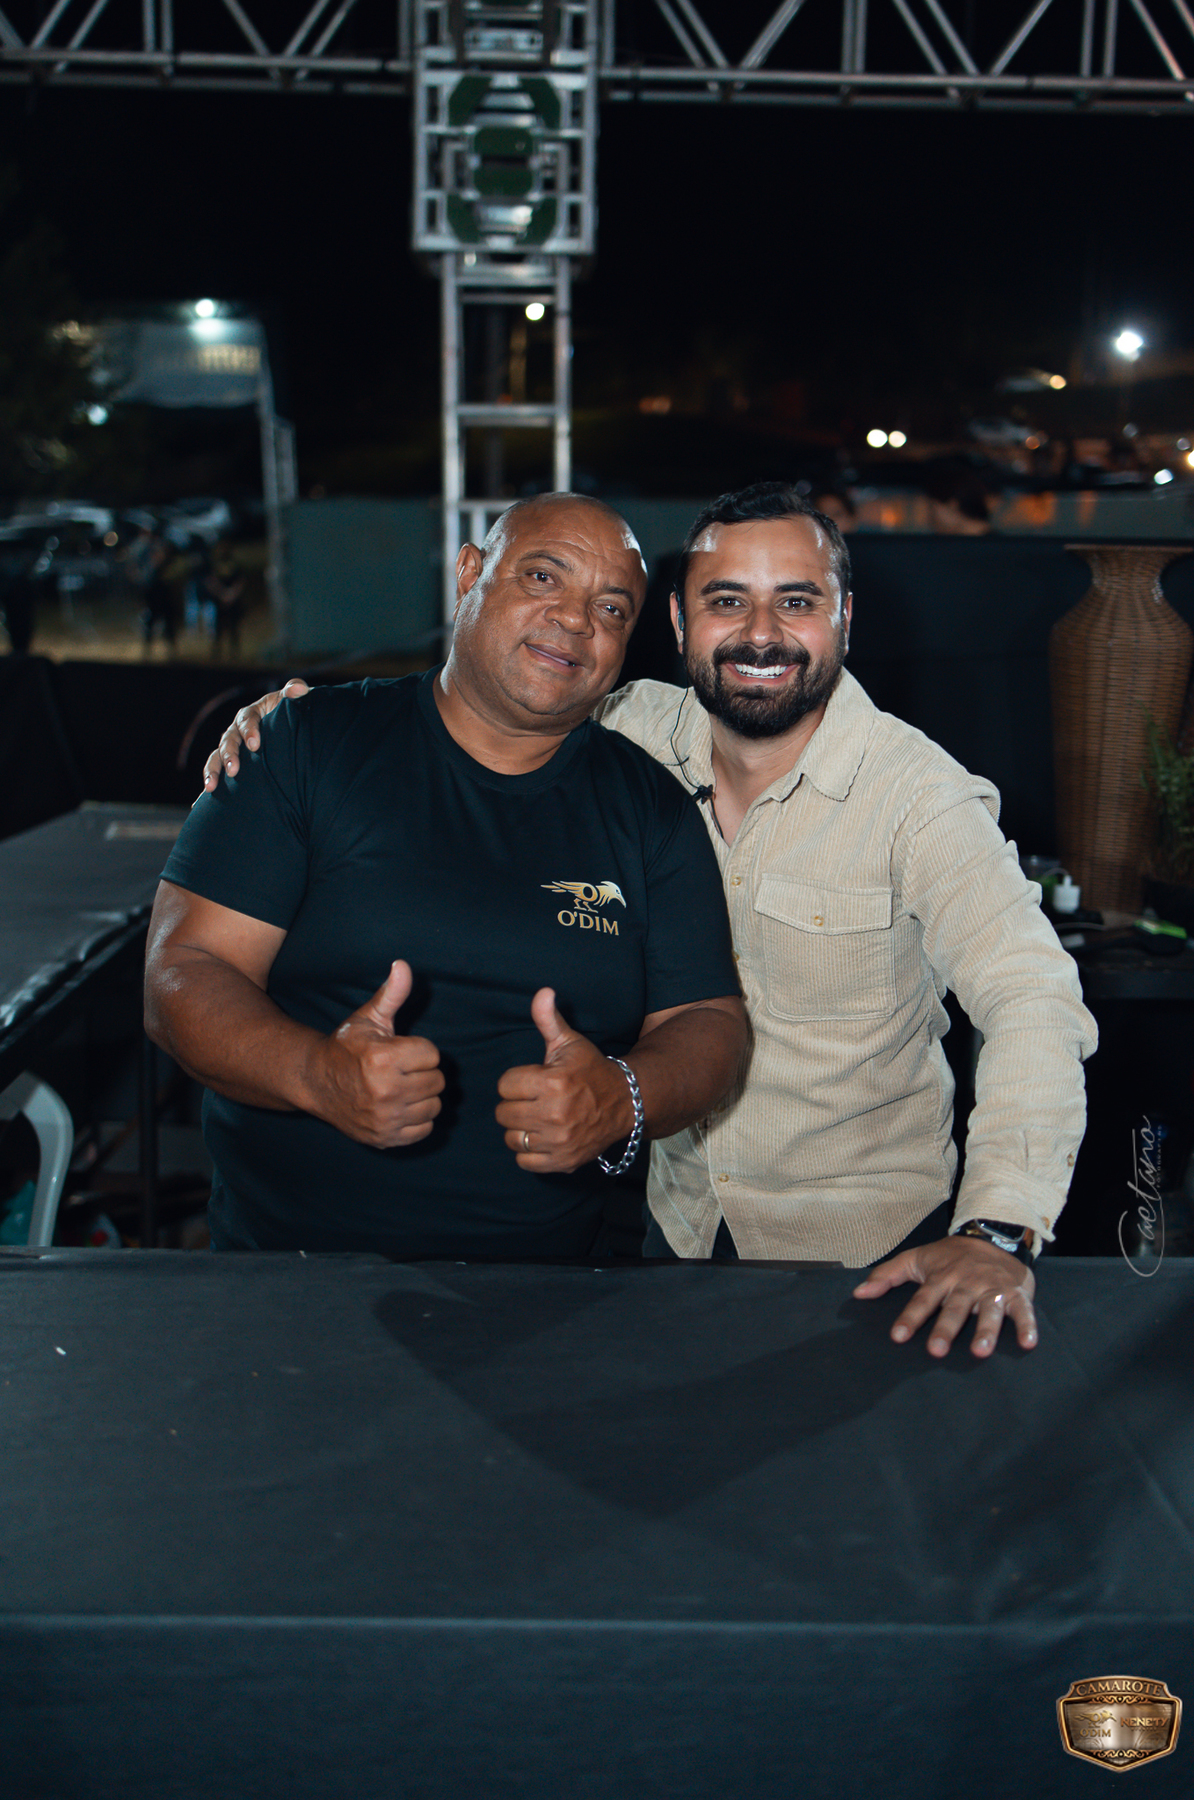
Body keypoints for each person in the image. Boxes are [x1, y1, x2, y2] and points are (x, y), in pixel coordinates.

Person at [203, 483, 1097, 1359]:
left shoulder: (922, 800)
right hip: (668, 1238)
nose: (760, 634)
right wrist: (292, 723)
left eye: (797, 602)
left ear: (845, 618)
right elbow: (486, 693)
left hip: (858, 1253)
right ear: (676, 622)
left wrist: (999, 1228)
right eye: (726, 601)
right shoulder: (627, 731)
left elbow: (1033, 1000)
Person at [146, 495, 746, 1262]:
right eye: (542, 577)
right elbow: (182, 969)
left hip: (551, 1286)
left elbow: (709, 1021)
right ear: (469, 575)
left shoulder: (651, 808)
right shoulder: (305, 745)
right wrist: (317, 1074)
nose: (574, 619)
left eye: (611, 608)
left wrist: (622, 1096)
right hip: (287, 1274)